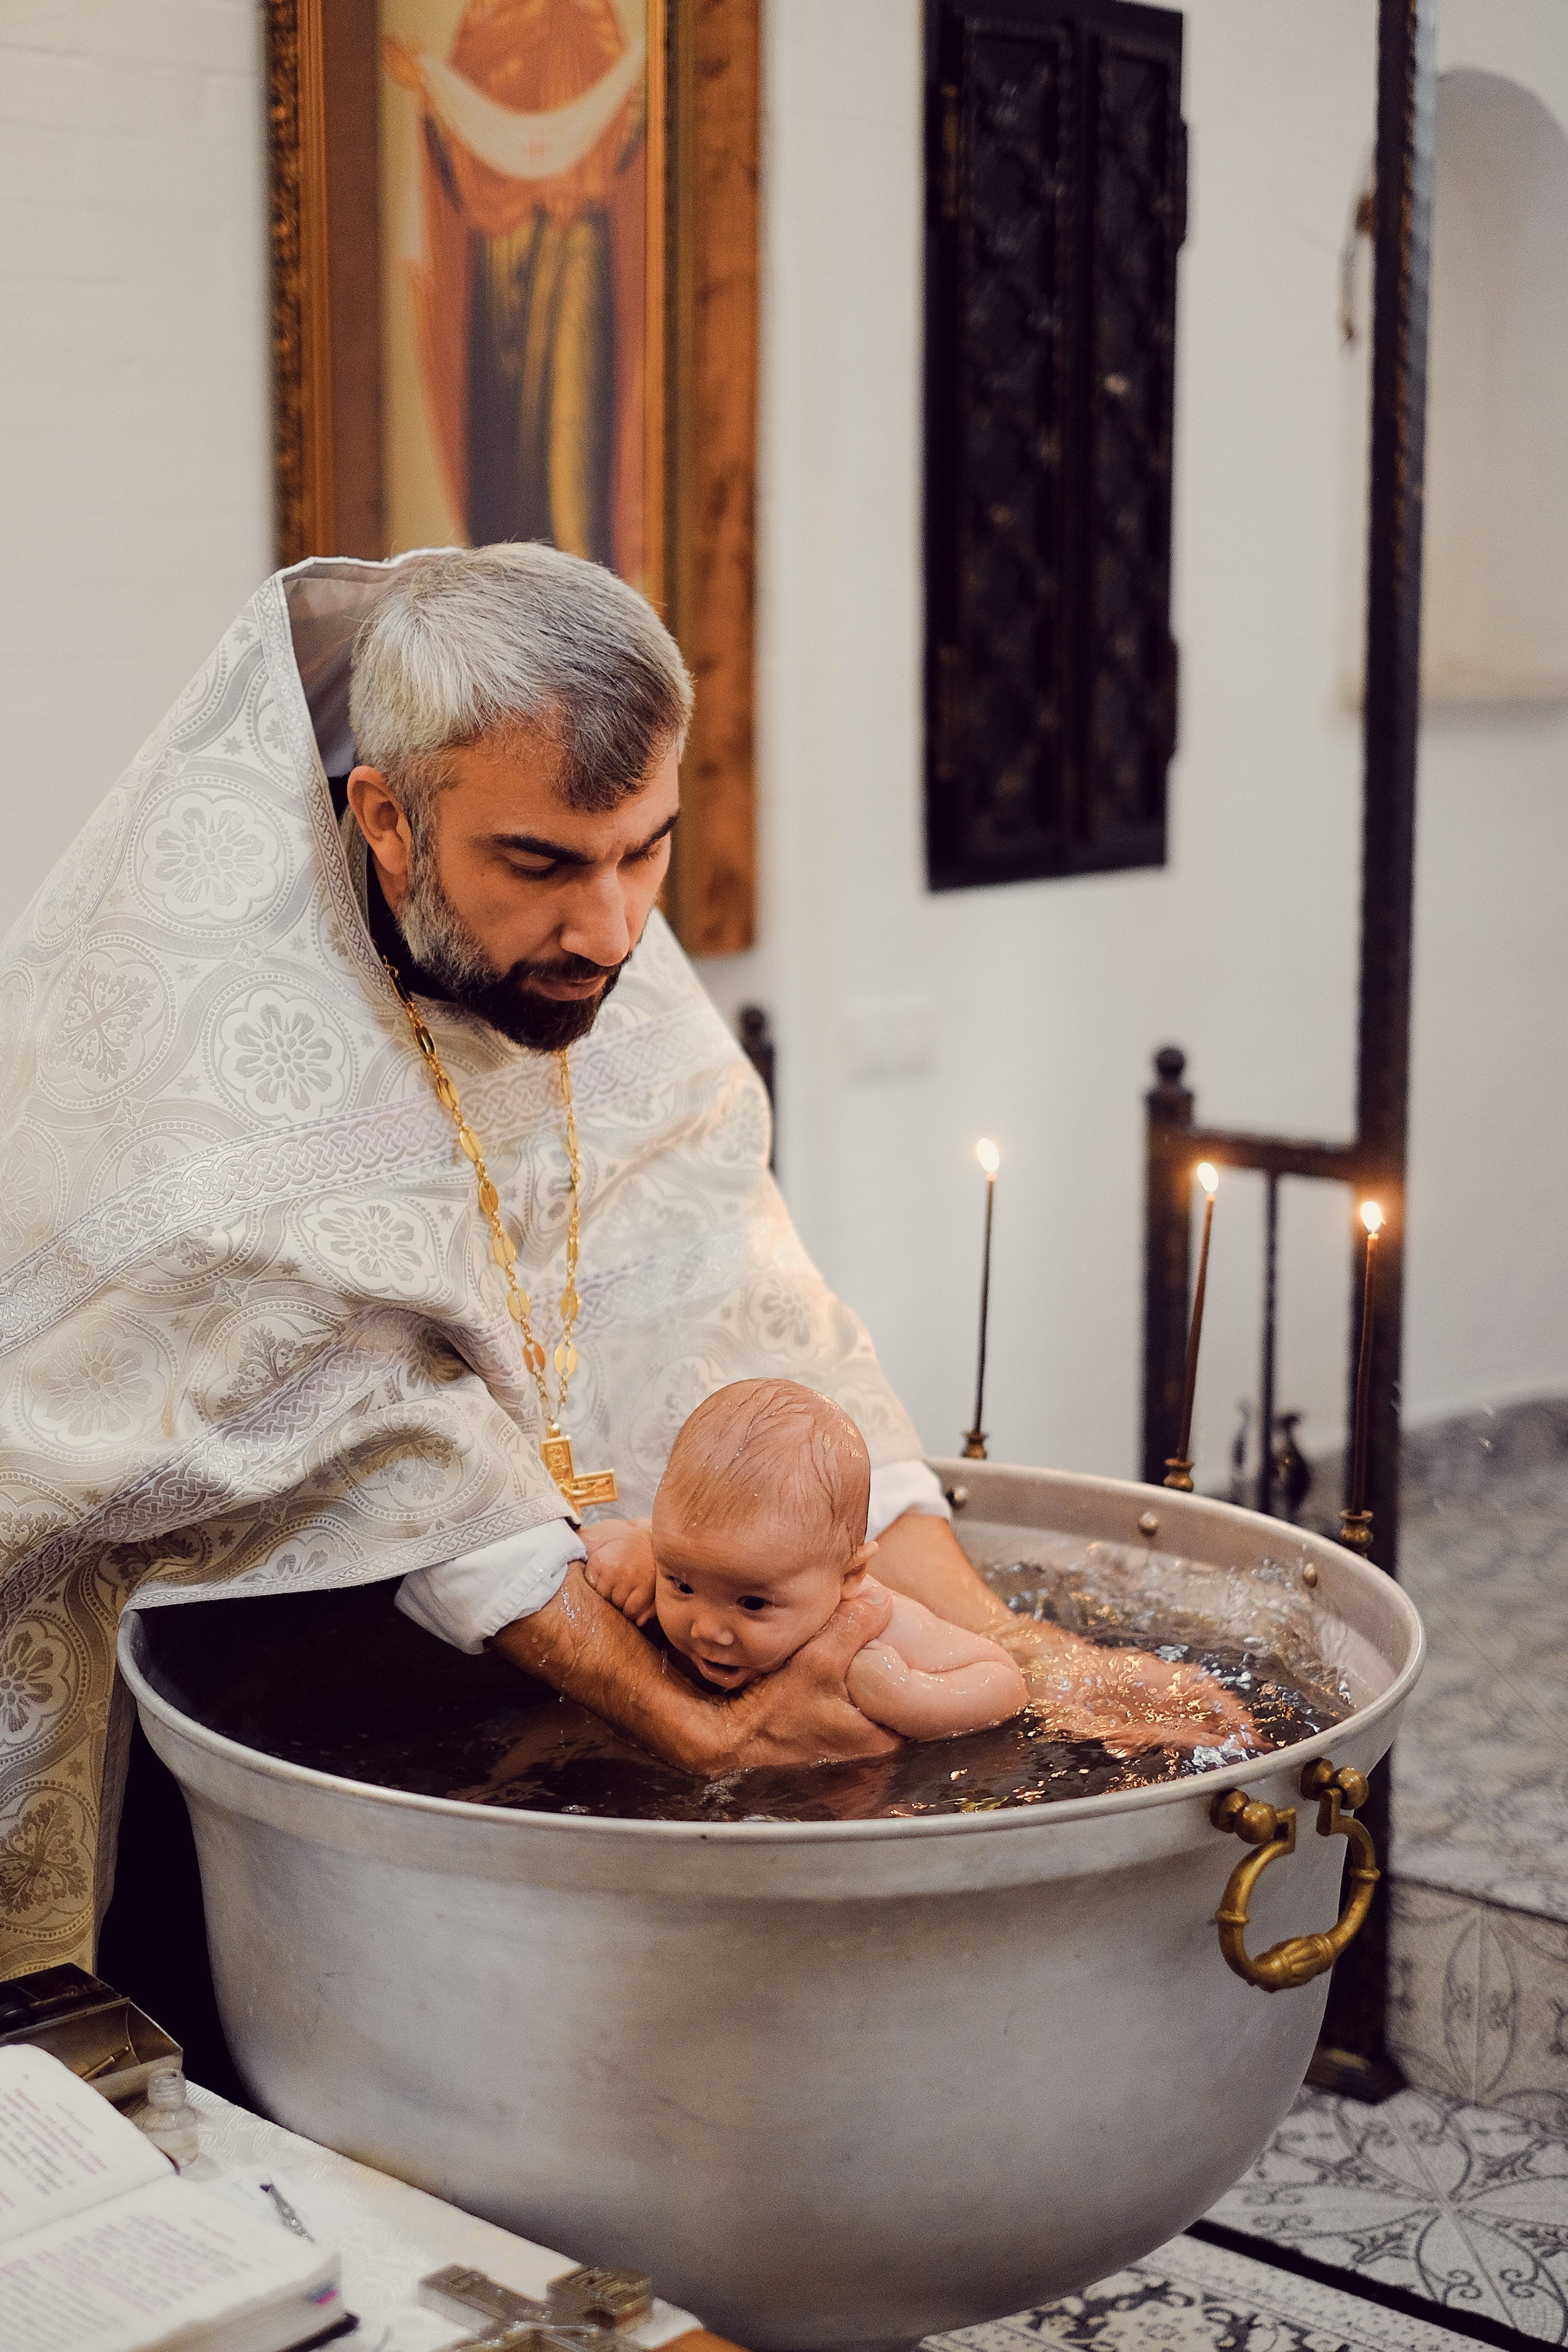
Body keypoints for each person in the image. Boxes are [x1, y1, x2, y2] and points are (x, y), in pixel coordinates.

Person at [0, 542, 1251, 1979]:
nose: (608, 929)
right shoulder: (211, 1034)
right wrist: (697, 1728)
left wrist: (1022, 1645)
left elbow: (757, 1325)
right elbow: (364, 1441)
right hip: (239, 1754)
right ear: (389, 821)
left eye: (643, 848)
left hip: (530, 1713)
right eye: (538, 863)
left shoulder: (601, 957)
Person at [589, 1378, 1029, 1738]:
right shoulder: (697, 1554)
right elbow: (588, 1544)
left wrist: (903, 1693)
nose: (706, 1629)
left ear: (850, 1575)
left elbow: (1005, 1683)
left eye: (753, 1604)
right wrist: (629, 1550)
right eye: (681, 1585)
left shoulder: (877, 1627)